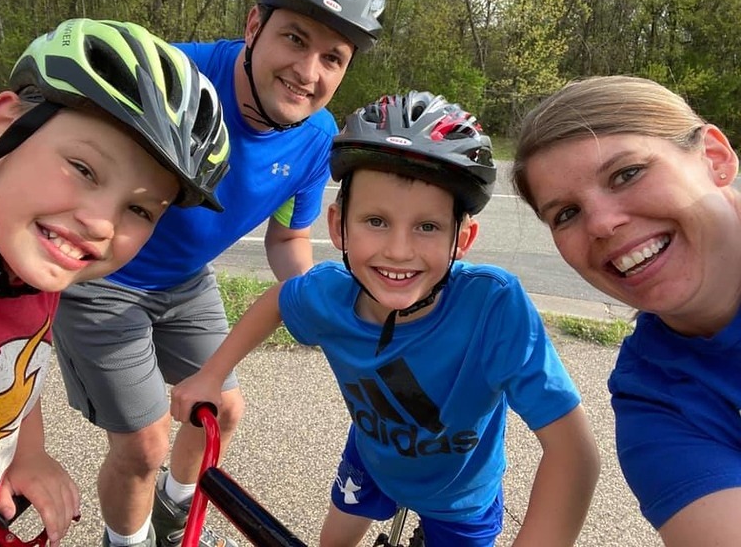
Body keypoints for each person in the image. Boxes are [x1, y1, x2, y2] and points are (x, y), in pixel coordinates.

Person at [50, 0, 386, 546]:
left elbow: (286, 239)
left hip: (184, 281)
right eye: (294, 38)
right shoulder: (168, 75)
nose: (308, 72)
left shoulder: (317, 138)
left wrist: (312, 299)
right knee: (144, 445)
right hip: (103, 281)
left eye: (332, 57)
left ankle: (174, 513)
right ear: (255, 27)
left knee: (222, 413)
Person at [170, 91, 601, 547]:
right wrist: (212, 376)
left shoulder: (493, 308)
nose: (398, 250)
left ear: (463, 237)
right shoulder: (331, 294)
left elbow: (574, 454)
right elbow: (278, 301)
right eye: (375, 221)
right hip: (373, 462)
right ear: (338, 226)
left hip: (460, 495)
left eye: (428, 226)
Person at [0, 17, 230, 547]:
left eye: (140, 209)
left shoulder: (33, 259)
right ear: (1, 128)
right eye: (85, 168)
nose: (101, 225)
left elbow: (16, 367)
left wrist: (25, 453)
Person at [511, 75, 741, 547]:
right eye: (566, 214)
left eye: (627, 174)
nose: (601, 223)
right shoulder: (654, 402)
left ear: (714, 158)